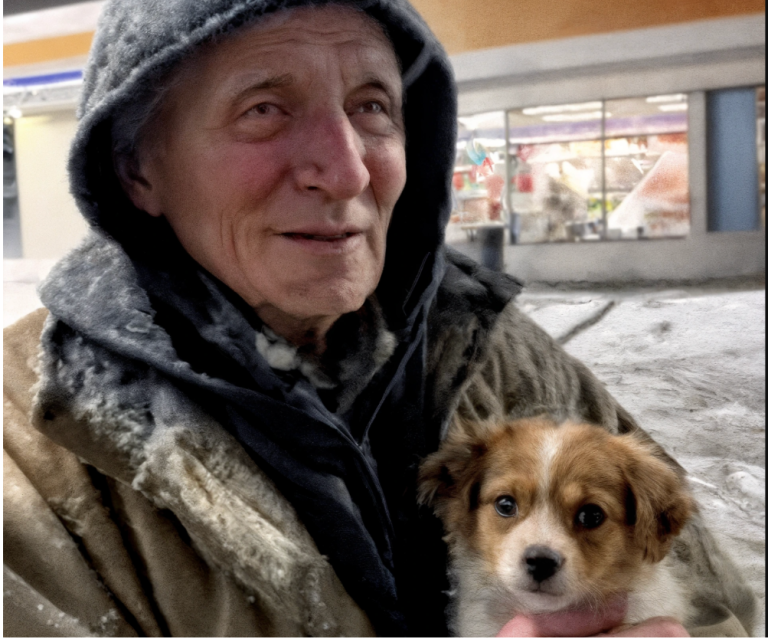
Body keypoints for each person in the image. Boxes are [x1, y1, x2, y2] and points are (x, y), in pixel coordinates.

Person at [3, 0, 755, 637]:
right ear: (138, 170)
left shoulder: (492, 347)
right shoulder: (30, 452)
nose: (348, 167)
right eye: (264, 109)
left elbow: (719, 604)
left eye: (371, 107)